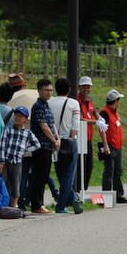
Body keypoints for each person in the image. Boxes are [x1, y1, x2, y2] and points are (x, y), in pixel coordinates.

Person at [48, 78, 82, 214]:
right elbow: (75, 125)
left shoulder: (49, 103)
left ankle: (72, 199)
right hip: (69, 142)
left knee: (60, 173)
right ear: (69, 89)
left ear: (55, 89)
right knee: (68, 174)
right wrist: (71, 139)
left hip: (54, 141)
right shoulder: (74, 103)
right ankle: (61, 205)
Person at [0, 107, 41, 209]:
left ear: (26, 119)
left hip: (17, 161)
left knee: (16, 185)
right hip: (6, 160)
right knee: (3, 183)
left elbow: (37, 144)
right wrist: (1, 161)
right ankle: (1, 207)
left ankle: (13, 207)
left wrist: (25, 149)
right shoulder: (8, 130)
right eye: (16, 115)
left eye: (20, 116)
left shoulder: (27, 133)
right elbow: (2, 145)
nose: (17, 118)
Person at [6, 72, 38, 209]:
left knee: (20, 176)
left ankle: (21, 201)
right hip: (29, 145)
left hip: (16, 149)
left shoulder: (11, 102)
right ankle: (28, 199)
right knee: (31, 175)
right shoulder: (31, 99)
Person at [29, 79, 59, 214]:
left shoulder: (47, 105)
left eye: (51, 90)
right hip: (40, 146)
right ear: (39, 91)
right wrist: (53, 140)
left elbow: (51, 124)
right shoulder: (38, 106)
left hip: (48, 146)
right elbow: (44, 126)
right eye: (46, 90)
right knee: (40, 176)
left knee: (44, 175)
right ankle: (36, 205)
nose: (49, 92)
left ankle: (39, 203)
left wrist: (57, 139)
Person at [99, 89, 127, 203]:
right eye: (118, 100)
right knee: (109, 171)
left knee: (118, 171)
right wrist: (105, 145)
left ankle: (118, 195)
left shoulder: (115, 112)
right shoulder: (104, 113)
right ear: (115, 101)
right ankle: (106, 195)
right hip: (110, 145)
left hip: (118, 145)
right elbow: (101, 129)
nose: (119, 102)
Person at [74, 75, 99, 191]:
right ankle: (78, 189)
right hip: (80, 137)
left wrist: (100, 119)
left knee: (89, 165)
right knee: (80, 165)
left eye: (88, 87)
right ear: (79, 87)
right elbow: (80, 119)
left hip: (88, 137)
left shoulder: (89, 102)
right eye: (84, 87)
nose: (86, 90)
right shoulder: (77, 101)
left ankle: (85, 188)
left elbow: (95, 113)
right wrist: (96, 122)